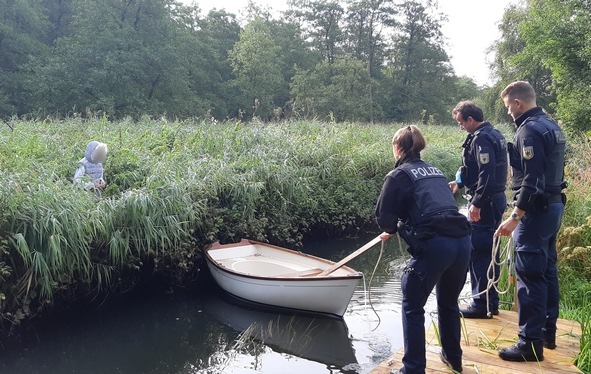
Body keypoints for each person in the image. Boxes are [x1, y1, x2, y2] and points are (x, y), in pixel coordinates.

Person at [375, 125, 472, 374]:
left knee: (412, 305)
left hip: (436, 246)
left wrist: (395, 226)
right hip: (462, 243)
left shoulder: (397, 176)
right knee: (449, 303)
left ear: (398, 148)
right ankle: (453, 358)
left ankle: (413, 369)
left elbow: (384, 219)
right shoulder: (436, 172)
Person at [495, 81, 566, 362]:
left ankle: (529, 344)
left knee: (529, 276)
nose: (508, 112)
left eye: (507, 107)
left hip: (536, 213)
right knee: (546, 271)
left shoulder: (529, 131)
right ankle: (547, 332)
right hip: (554, 206)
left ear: (517, 103)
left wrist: (515, 216)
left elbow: (532, 178)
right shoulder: (551, 126)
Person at [449, 101, 508, 318]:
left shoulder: (482, 138)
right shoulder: (494, 134)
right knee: (490, 250)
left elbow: (487, 173)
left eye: (460, 123)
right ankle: (490, 303)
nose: (461, 127)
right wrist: (459, 182)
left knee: (480, 251)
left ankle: (481, 304)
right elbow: (474, 168)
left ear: (470, 120)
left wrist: (477, 203)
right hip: (494, 200)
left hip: (487, 202)